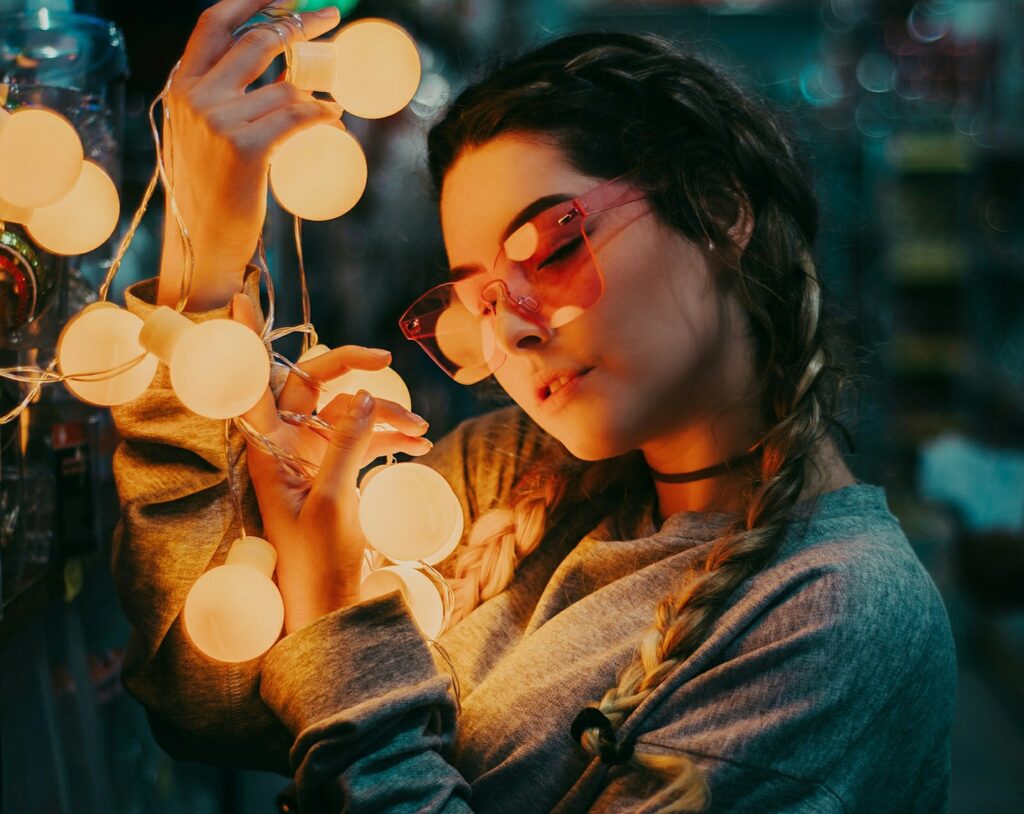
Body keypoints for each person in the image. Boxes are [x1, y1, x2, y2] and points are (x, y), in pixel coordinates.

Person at [110, 1, 958, 811]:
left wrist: (336, 618)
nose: (510, 332)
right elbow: (211, 701)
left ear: (718, 206)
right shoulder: (513, 476)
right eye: (477, 299)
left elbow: (325, 691)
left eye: (552, 250)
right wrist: (206, 281)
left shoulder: (833, 615)